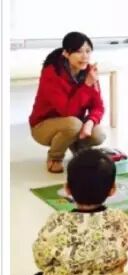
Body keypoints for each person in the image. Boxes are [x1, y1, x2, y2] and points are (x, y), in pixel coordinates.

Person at [26, 149, 128, 275]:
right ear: (112, 190)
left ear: (67, 189)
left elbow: (40, 259)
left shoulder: (57, 222)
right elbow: (125, 246)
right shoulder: (120, 219)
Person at [30, 32, 106, 174]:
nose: (85, 56)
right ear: (66, 53)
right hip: (43, 126)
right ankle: (55, 158)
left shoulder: (89, 71)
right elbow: (67, 111)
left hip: (73, 123)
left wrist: (90, 122)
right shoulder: (51, 73)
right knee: (73, 124)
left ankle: (79, 152)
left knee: (98, 134)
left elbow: (98, 106)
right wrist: (87, 85)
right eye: (79, 51)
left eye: (88, 51)